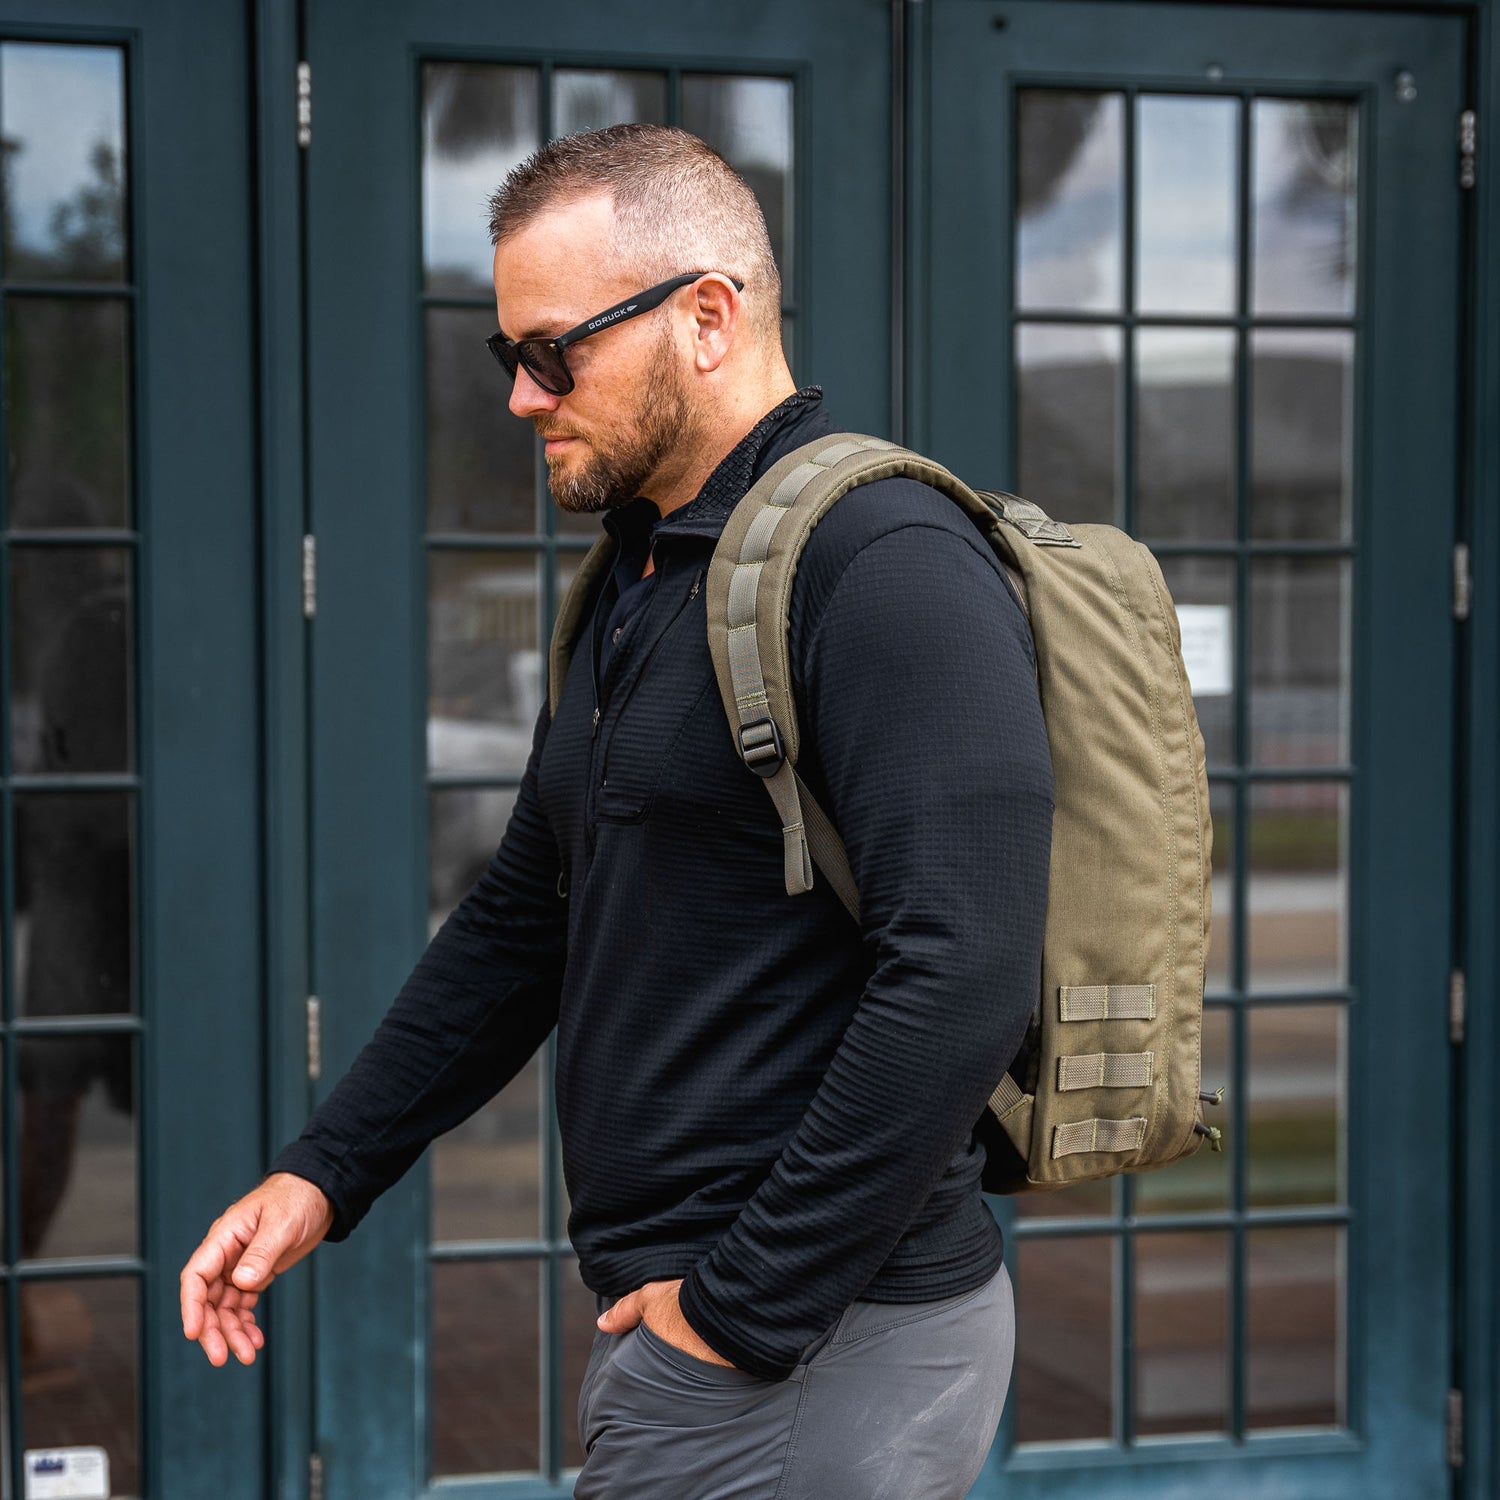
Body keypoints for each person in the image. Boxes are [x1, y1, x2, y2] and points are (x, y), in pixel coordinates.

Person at [180, 123, 1054, 1499]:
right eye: (505, 357)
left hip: (815, 1349)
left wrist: (733, 1319)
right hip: (743, 1343)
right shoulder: (648, 577)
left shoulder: (882, 565)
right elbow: (525, 919)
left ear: (707, 316)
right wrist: (326, 1171)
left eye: (552, 350)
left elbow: (965, 972)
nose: (524, 397)